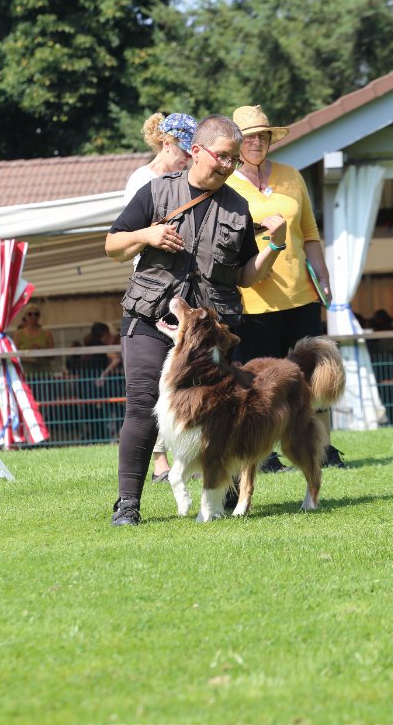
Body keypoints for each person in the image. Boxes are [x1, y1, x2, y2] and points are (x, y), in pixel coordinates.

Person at [105, 113, 287, 526]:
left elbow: (245, 276)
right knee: (142, 403)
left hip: (208, 331)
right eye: (222, 156)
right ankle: (128, 504)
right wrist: (147, 235)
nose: (228, 165)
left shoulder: (238, 208)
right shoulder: (156, 191)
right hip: (151, 317)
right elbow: (113, 245)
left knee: (223, 407)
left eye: (234, 159)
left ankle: (224, 492)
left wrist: (274, 246)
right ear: (197, 150)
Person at [226, 104, 345, 472]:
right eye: (249, 137)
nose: (257, 142)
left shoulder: (292, 176)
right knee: (259, 382)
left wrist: (324, 278)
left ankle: (322, 448)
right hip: (253, 300)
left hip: (301, 294)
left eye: (262, 136)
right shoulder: (225, 185)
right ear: (236, 143)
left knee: (312, 376)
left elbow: (309, 232)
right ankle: (263, 454)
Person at [125, 111, 197, 481]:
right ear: (166, 143)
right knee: (151, 383)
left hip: (183, 287)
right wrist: (152, 233)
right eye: (184, 150)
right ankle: (158, 461)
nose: (188, 158)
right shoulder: (143, 180)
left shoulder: (187, 179)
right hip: (152, 288)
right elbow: (128, 236)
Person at [13, 303, 54, 375]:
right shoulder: (18, 334)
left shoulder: (47, 333)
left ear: (39, 316)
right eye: (30, 314)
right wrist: (29, 357)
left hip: (44, 374)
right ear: (25, 317)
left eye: (36, 314)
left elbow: (53, 356)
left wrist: (40, 350)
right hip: (26, 374)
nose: (33, 317)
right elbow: (14, 356)